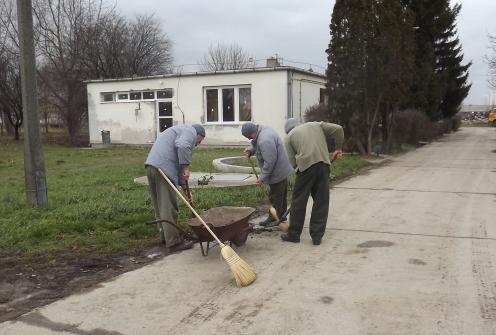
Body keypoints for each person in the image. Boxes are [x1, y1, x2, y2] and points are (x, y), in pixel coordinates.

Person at [281, 118, 344, 245]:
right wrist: (338, 149)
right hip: (324, 166)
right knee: (321, 201)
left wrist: (300, 170)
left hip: (306, 168)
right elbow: (339, 129)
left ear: (288, 130)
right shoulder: (316, 125)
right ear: (299, 123)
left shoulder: (288, 138)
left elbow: (292, 161)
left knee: (298, 201)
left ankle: (294, 234)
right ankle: (317, 236)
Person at [144, 124, 206, 252]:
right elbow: (183, 145)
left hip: (152, 166)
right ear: (198, 135)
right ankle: (173, 243)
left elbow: (179, 167)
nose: (199, 143)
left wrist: (186, 190)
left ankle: (165, 238)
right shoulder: (189, 131)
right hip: (162, 168)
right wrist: (186, 167)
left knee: (159, 206)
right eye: (201, 140)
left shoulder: (179, 131)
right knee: (168, 206)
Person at [241, 122, 294, 226]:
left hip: (277, 170)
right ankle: (281, 215)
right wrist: (250, 150)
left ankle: (273, 218)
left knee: (275, 195)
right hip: (281, 167)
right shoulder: (261, 129)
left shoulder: (265, 140)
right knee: (281, 194)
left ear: (253, 131)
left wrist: (262, 178)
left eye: (248, 136)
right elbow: (254, 142)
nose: (248, 139)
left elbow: (269, 162)